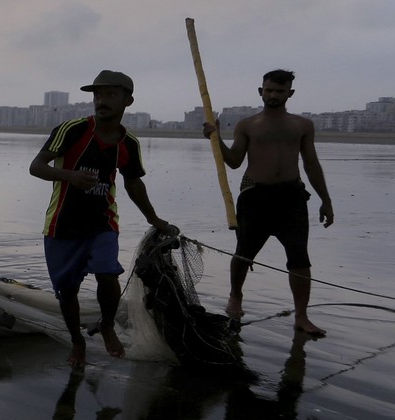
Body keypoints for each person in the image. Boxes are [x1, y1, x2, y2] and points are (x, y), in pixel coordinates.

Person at [29, 70, 173, 369]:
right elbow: (37, 167)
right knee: (67, 290)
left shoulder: (129, 143)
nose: (101, 101)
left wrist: (154, 218)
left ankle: (107, 324)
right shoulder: (72, 129)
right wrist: (70, 176)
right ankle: (78, 341)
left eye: (110, 94)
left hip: (102, 221)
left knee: (108, 273)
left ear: (127, 100)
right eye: (97, 95)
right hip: (62, 222)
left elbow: (133, 184)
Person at [202, 69, 333, 336]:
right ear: (260, 91)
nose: (273, 95)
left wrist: (325, 200)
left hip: (291, 197)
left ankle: (301, 316)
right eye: (269, 90)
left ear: (290, 93)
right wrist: (215, 139)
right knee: (243, 252)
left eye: (279, 91)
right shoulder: (248, 125)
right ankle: (236, 295)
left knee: (299, 257)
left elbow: (311, 164)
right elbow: (235, 161)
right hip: (255, 196)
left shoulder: (302, 126)